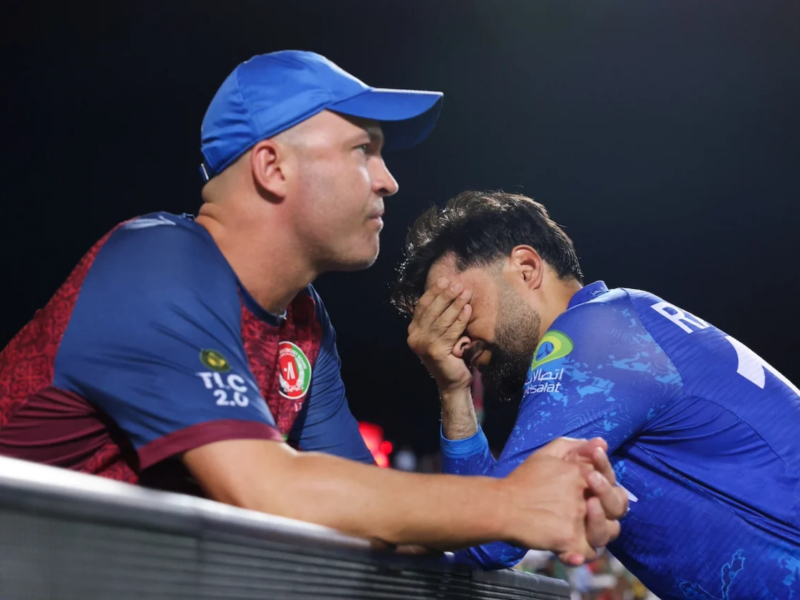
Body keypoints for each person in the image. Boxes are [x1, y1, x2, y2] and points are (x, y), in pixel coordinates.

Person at [0, 52, 626, 558]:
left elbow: (369, 512)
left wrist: (542, 492)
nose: (389, 180)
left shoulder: (303, 322)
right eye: (363, 150)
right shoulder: (157, 262)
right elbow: (266, 487)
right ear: (272, 167)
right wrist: (512, 502)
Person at [393, 190, 800, 597]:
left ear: (527, 267)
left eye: (456, 307)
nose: (454, 338)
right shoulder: (623, 318)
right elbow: (489, 518)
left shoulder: (594, 334)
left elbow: (490, 537)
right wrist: (453, 390)